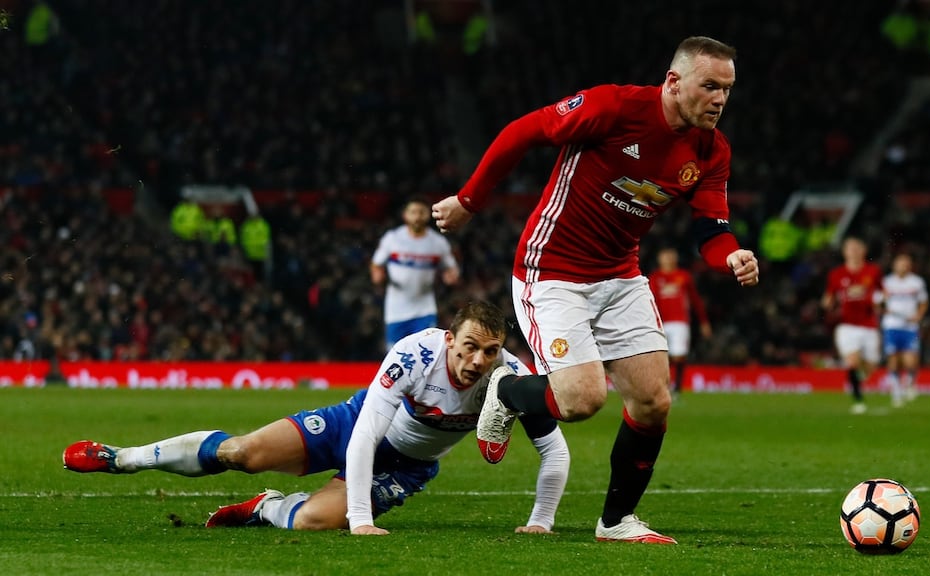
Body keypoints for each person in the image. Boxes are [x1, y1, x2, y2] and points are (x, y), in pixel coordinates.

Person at [431, 36, 759, 544]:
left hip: (620, 276)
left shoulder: (711, 151)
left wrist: (731, 254)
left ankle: (616, 521)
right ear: (673, 82)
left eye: (728, 89)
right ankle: (508, 391)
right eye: (709, 86)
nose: (719, 99)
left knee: (653, 401)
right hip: (552, 269)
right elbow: (523, 132)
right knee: (583, 400)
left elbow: (711, 228)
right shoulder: (613, 107)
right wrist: (470, 200)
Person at [63, 301, 569, 535]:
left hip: (405, 467)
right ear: (449, 339)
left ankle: (266, 508)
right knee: (241, 452)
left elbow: (554, 450)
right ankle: (122, 457)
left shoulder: (509, 379)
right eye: (470, 347)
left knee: (310, 522)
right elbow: (367, 431)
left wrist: (541, 522)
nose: (478, 361)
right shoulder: (415, 354)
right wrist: (364, 523)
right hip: (354, 426)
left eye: (491, 350)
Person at [371, 197, 460, 350]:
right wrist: (377, 274)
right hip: (396, 309)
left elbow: (451, 268)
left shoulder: (438, 242)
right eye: (413, 212)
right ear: (405, 215)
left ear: (428, 215)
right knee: (395, 353)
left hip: (424, 308)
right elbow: (376, 264)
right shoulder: (392, 238)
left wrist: (451, 276)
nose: (417, 216)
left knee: (423, 352)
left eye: (421, 212)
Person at [821, 237, 883, 414]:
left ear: (864, 251)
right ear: (845, 252)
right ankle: (858, 400)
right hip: (847, 326)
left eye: (857, 248)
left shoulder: (873, 271)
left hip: (869, 325)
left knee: (870, 368)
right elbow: (829, 297)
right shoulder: (836, 274)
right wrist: (827, 304)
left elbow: (882, 292)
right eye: (850, 248)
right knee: (852, 362)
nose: (854, 251)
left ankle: (857, 379)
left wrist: (880, 301)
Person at [648, 247, 711, 397]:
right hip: (659, 322)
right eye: (665, 256)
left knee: (679, 356)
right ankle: (662, 388)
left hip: (679, 322)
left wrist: (704, 322)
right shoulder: (655, 278)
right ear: (659, 259)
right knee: (661, 357)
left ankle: (677, 389)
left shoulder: (683, 276)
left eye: (671, 256)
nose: (668, 259)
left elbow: (695, 300)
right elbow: (649, 301)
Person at [880, 252, 928, 407]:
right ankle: (896, 390)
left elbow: (923, 302)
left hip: (909, 326)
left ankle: (909, 381)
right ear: (894, 265)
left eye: (906, 263)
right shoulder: (886, 282)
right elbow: (877, 302)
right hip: (891, 325)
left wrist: (918, 316)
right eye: (901, 263)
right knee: (893, 358)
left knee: (910, 360)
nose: (904, 266)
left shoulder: (917, 282)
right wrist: (882, 310)